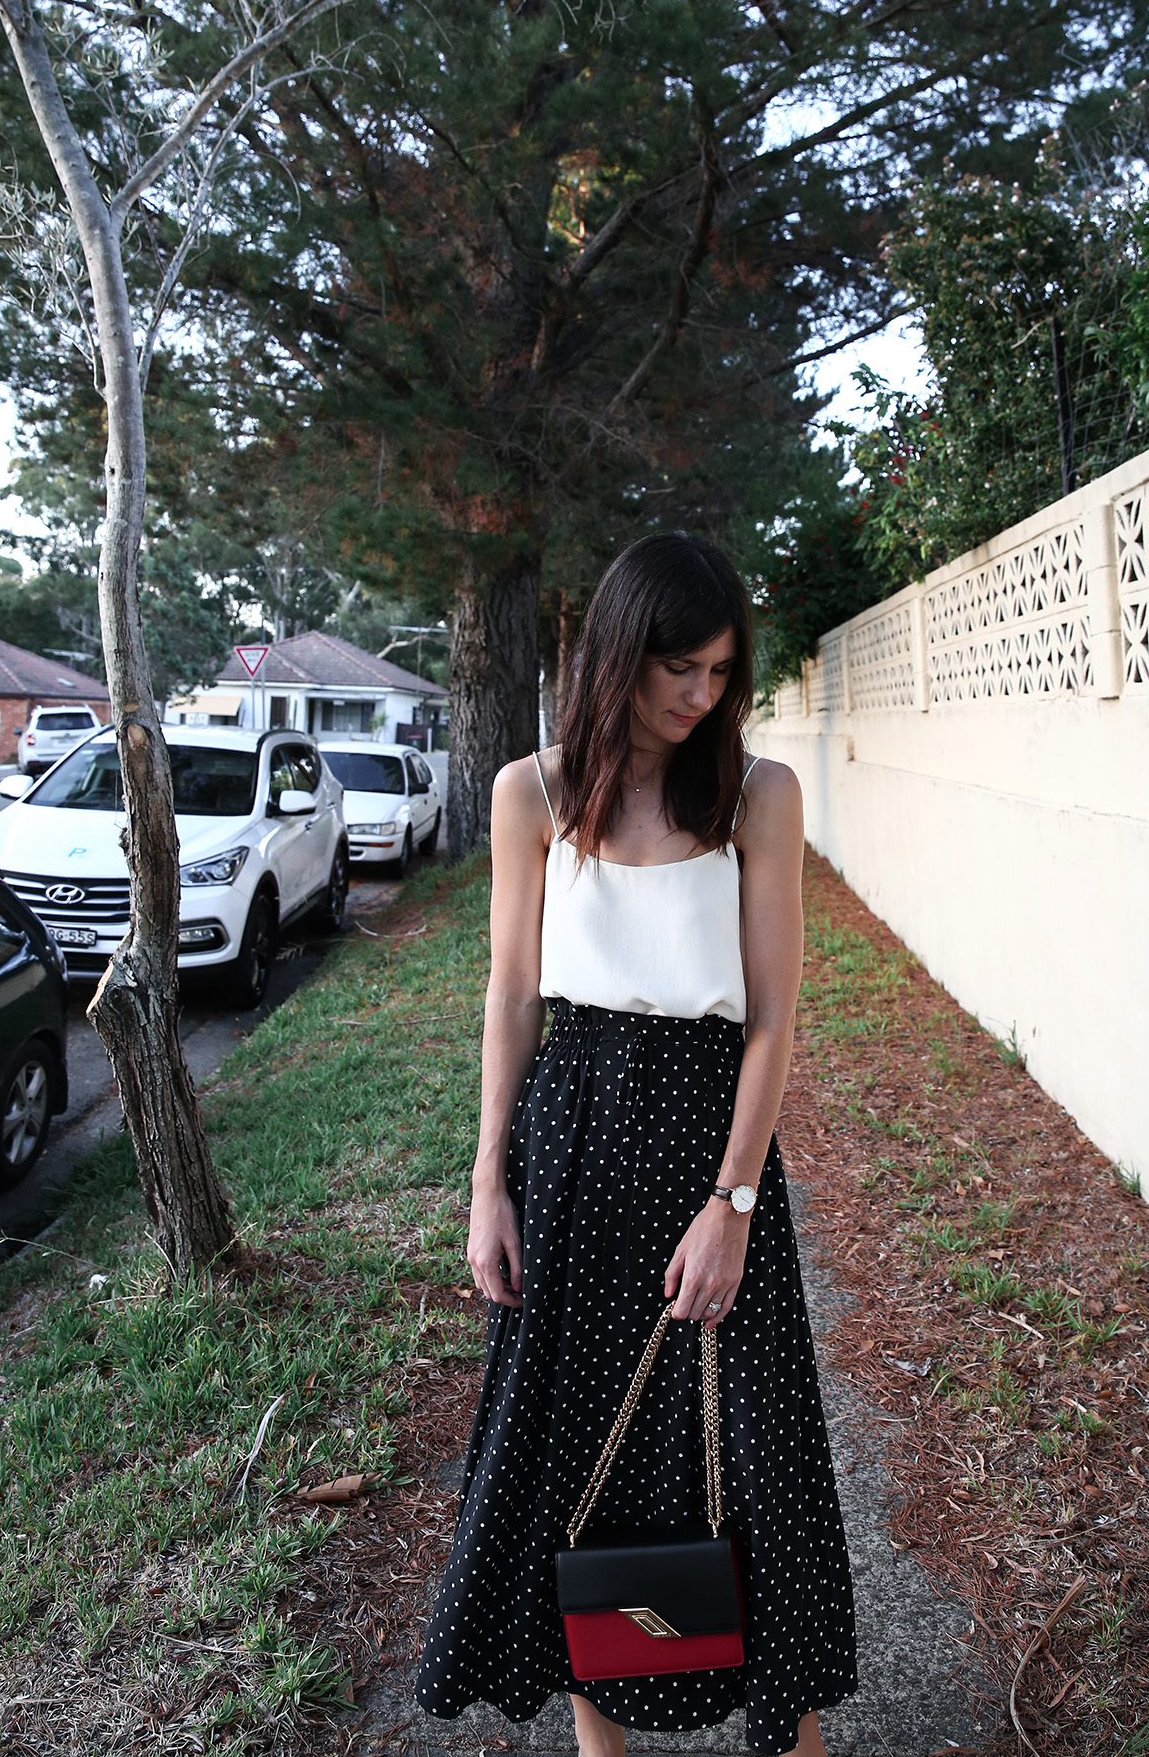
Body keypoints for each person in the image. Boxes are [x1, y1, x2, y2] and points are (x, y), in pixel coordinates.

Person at [415, 532, 857, 1757]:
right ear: (616, 653)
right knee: (571, 1462)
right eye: (675, 667)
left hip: (703, 1142)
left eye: (718, 672)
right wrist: (485, 1185)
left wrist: (735, 1201)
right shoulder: (531, 794)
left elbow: (772, 1020)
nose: (697, 695)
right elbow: (512, 997)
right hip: (567, 1152)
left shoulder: (757, 794)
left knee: (750, 1457)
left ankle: (788, 1734)